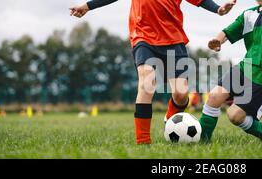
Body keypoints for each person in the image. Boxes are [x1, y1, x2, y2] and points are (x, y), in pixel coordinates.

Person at [70, 0, 237, 144]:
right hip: (143, 37)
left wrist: (218, 9)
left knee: (181, 94)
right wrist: (87, 6)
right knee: (147, 83)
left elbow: (200, 1)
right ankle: (143, 141)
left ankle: (170, 120)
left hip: (173, 39)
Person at [199, 0, 262, 142]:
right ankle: (202, 141)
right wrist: (217, 40)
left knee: (235, 115)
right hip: (246, 66)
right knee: (214, 96)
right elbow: (227, 32)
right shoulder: (248, 13)